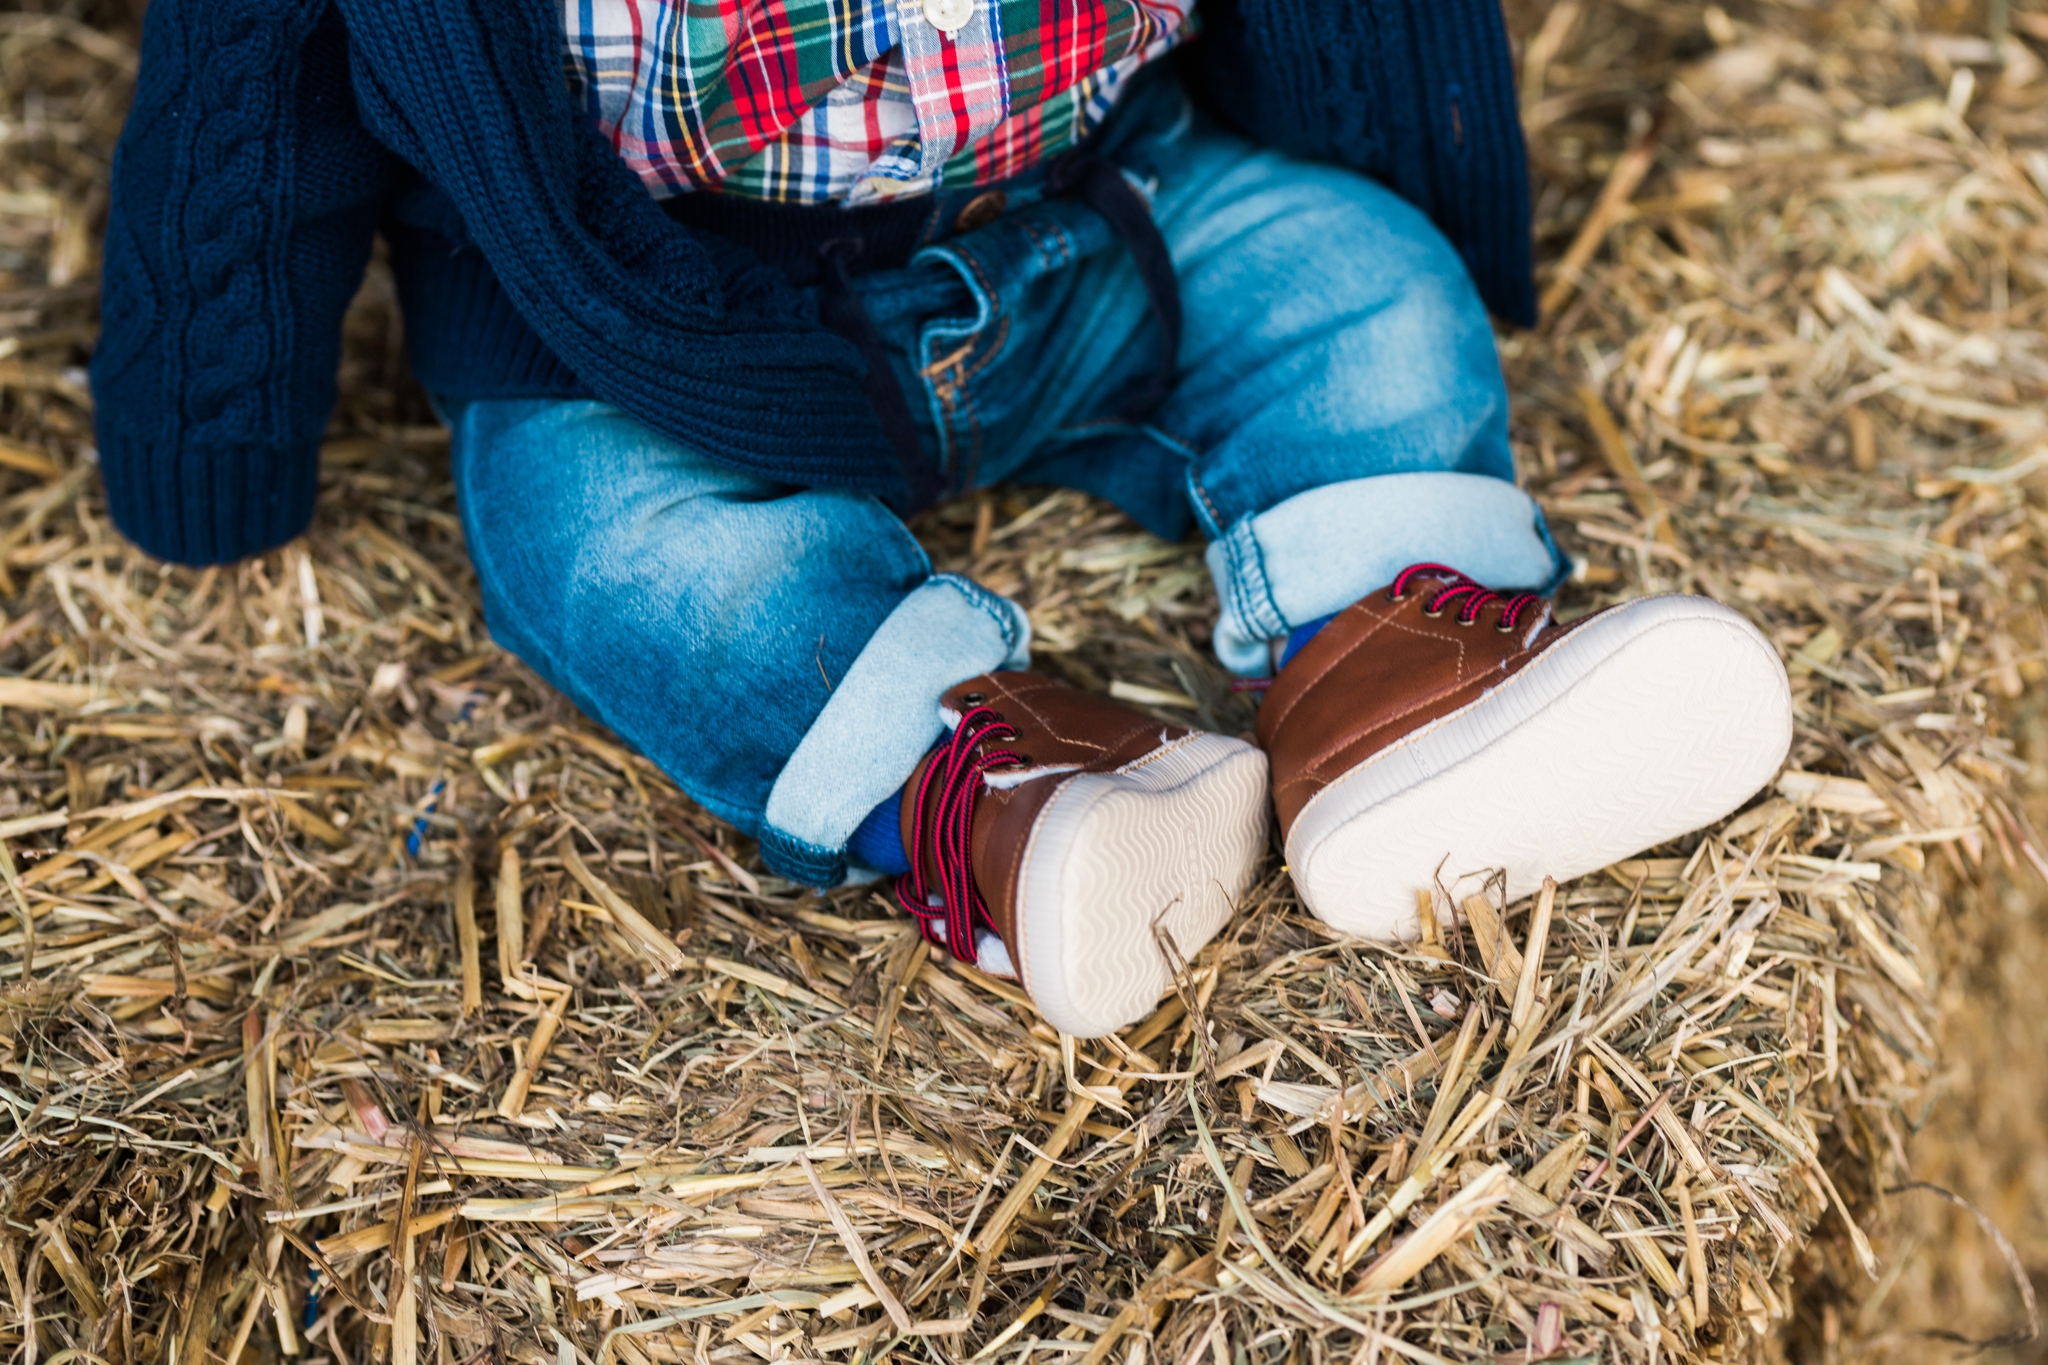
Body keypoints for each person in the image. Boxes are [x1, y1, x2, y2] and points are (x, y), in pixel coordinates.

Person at [91, 0, 1792, 1037]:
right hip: (658, 310)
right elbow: (251, 69)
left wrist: (1414, 164)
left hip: (1091, 208)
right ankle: (987, 786)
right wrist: (212, 442)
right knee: (612, 543)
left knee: (1366, 291)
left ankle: (1404, 673)